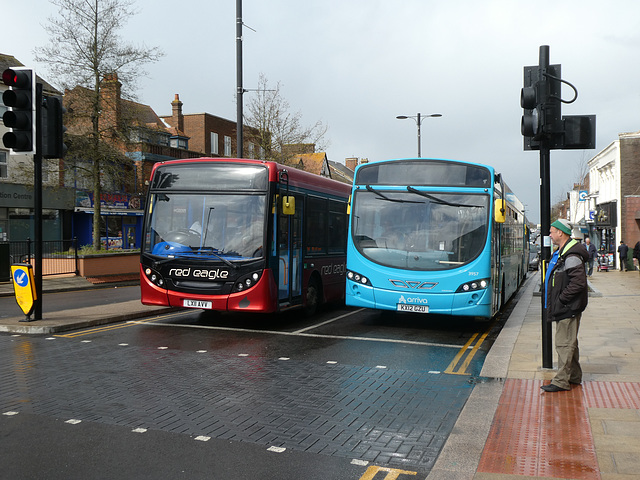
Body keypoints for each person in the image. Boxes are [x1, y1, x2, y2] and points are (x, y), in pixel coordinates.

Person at [542, 218, 589, 393]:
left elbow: (578, 283)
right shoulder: (563, 252)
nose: (550, 234)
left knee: (563, 344)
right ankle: (574, 377)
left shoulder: (571, 255)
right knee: (571, 343)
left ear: (561, 233)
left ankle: (561, 381)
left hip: (567, 307)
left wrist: (561, 299)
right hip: (566, 306)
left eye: (552, 231)